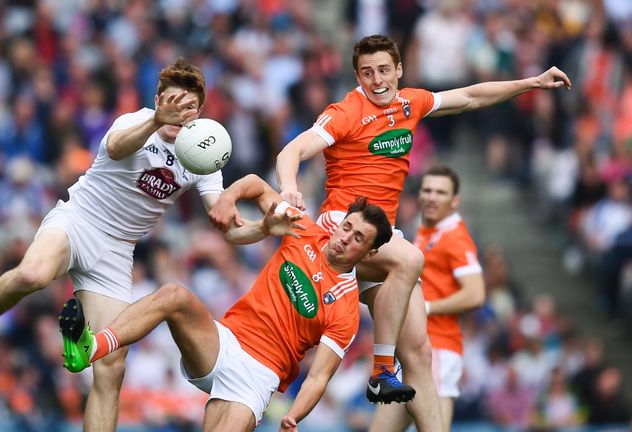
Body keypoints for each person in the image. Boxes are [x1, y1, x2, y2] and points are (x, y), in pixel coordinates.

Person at [211, 33, 570, 430]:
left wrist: (531, 83)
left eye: (384, 70)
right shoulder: (345, 111)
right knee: (411, 257)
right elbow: (289, 152)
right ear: (356, 76)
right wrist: (291, 186)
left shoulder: (410, 103)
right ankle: (382, 371)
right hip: (342, 230)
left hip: (383, 242)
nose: (377, 80)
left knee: (418, 352)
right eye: (367, 73)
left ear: (399, 70)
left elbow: (470, 97)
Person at [0, 59, 226, 431]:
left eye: (188, 107)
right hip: (79, 220)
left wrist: (264, 224)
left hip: (117, 251)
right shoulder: (134, 122)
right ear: (158, 100)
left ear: (199, 111)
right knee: (33, 274)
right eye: (171, 102)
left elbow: (223, 220)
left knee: (111, 367)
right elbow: (119, 146)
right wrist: (157, 120)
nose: (178, 113)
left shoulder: (204, 153)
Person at [59, 174, 393, 431]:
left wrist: (293, 416)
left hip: (258, 377)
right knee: (173, 295)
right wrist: (228, 198)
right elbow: (258, 186)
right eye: (346, 227)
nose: (345, 238)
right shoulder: (302, 230)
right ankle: (91, 348)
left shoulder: (347, 307)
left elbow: (319, 377)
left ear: (370, 253)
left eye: (358, 238)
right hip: (224, 342)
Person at [371, 165, 485, 432]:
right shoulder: (426, 232)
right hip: (416, 350)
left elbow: (475, 293)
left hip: (439, 349)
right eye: (428, 190)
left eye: (441, 192)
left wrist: (427, 307)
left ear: (454, 201)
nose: (432, 197)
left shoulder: (455, 237)